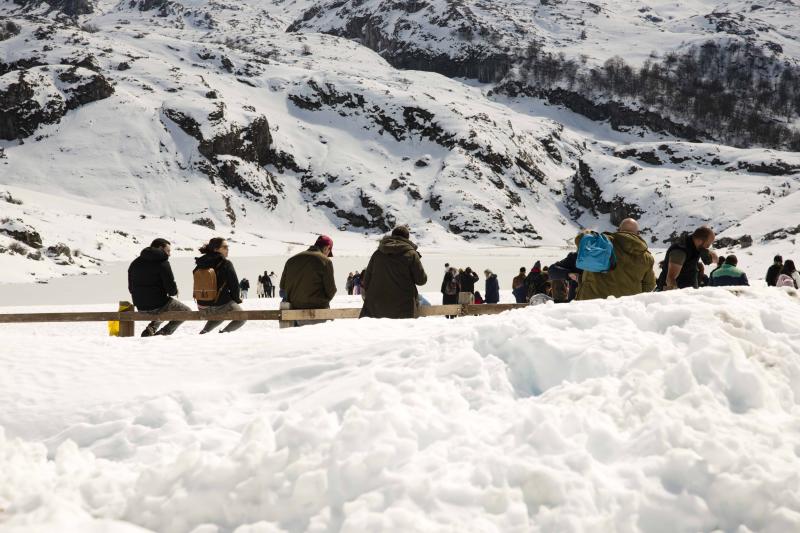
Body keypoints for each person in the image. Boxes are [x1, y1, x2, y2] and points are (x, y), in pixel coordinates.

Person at [575, 219, 656, 301]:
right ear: (638, 233)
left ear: (618, 230)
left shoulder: (603, 243)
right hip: (624, 308)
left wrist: (587, 232)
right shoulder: (647, 258)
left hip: (593, 303)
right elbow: (649, 286)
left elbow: (580, 239)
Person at [360, 226, 427, 319]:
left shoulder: (377, 253)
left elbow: (366, 281)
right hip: (404, 309)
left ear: (392, 236)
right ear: (407, 239)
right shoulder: (411, 254)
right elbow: (421, 280)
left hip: (376, 309)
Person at [128, 238, 191, 337]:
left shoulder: (135, 262)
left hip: (140, 306)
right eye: (168, 251)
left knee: (164, 306)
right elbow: (171, 290)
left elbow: (130, 288)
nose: (169, 254)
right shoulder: (163, 262)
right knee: (186, 312)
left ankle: (152, 328)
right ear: (160, 248)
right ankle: (163, 333)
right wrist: (175, 291)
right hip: (158, 305)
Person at [279, 235, 336, 326]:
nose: (328, 255)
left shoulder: (291, 261)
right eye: (329, 252)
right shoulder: (325, 261)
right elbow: (331, 290)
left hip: (294, 312)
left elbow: (282, 287)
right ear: (326, 248)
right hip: (318, 313)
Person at [194, 237, 246, 334]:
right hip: (218, 305)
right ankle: (223, 333)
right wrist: (236, 300)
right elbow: (234, 285)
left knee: (221, 308)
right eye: (225, 247)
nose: (227, 249)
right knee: (242, 317)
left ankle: (204, 332)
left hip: (202, 305)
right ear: (216, 249)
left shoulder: (200, 263)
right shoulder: (226, 263)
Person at [657, 226, 718, 290]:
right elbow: (670, 279)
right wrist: (677, 296)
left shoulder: (697, 246)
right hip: (675, 294)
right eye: (708, 244)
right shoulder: (680, 251)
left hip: (688, 293)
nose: (708, 247)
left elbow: (716, 260)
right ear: (700, 241)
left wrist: (707, 252)